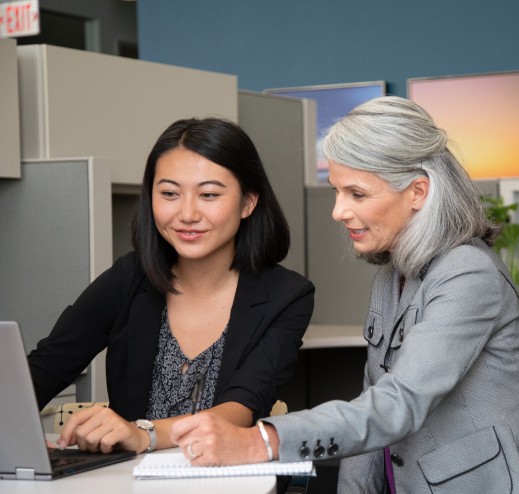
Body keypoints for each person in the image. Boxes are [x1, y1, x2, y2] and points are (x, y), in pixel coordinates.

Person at [170, 97, 519, 494]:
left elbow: (397, 407)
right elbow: (372, 402)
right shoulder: (394, 275)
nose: (338, 211)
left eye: (356, 194)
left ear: (417, 192)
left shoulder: (467, 274)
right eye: (337, 191)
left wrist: (262, 441)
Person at [29, 117, 314, 456]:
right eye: (169, 194)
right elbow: (45, 368)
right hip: (128, 487)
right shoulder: (129, 277)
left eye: (208, 194)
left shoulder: (286, 296)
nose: (187, 213)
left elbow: (240, 408)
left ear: (248, 202)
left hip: (228, 485)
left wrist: (143, 434)